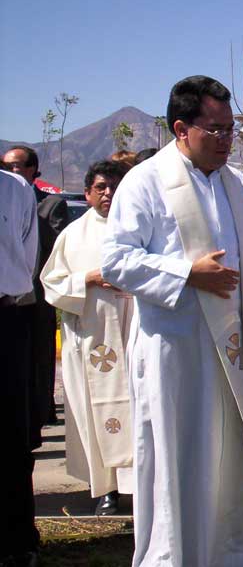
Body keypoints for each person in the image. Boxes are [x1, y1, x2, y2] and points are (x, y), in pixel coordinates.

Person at [102, 75, 243, 566]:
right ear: (181, 128)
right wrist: (188, 274)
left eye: (231, 129)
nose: (227, 139)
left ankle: (232, 547)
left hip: (231, 343)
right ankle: (176, 553)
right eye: (216, 130)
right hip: (176, 344)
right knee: (179, 449)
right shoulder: (145, 183)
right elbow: (117, 261)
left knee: (231, 447)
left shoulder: (235, 184)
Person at [40, 160, 133, 516]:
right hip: (95, 341)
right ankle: (106, 488)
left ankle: (143, 484)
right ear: (88, 193)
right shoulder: (73, 235)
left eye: (115, 186)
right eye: (101, 188)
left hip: (136, 335)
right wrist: (89, 279)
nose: (108, 193)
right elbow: (52, 283)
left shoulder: (143, 228)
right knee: (98, 414)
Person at [3, 145, 69, 433]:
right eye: (8, 165)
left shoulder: (32, 197)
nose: (13, 170)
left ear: (33, 169)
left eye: (18, 165)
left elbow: (36, 252)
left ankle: (41, 410)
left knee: (36, 360)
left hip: (25, 298)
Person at [0, 168, 40, 566]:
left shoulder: (16, 189)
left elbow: (26, 260)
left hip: (6, 317)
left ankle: (17, 540)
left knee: (11, 436)